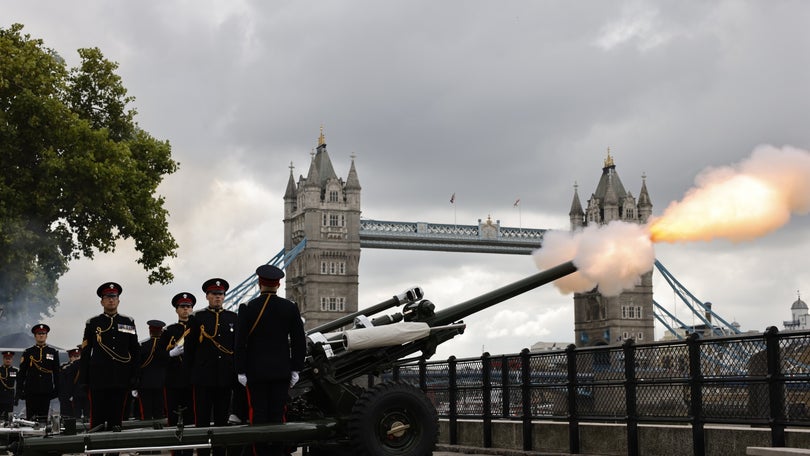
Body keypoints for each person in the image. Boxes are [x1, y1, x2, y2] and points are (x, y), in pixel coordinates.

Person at [234, 265, 306, 456]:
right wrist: (296, 369)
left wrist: (240, 370)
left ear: (259, 283)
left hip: (255, 373)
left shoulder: (247, 308)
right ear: (279, 284)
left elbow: (240, 343)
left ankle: (261, 453)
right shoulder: (290, 308)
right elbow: (299, 341)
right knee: (278, 415)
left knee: (258, 415)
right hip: (281, 372)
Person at [185, 278, 236, 456]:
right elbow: (190, 350)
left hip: (224, 377)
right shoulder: (197, 318)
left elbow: (235, 348)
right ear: (207, 296)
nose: (217, 297)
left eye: (220, 294)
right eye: (214, 294)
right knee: (202, 421)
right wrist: (191, 375)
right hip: (203, 378)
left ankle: (220, 452)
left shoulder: (232, 318)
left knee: (222, 420)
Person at [79, 282, 140, 433]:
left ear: (118, 300)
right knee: (97, 419)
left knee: (117, 420)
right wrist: (83, 379)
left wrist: (135, 375)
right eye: (107, 297)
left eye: (114, 297)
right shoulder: (93, 323)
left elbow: (135, 350)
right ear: (102, 301)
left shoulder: (128, 322)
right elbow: (86, 353)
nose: (111, 300)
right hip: (98, 378)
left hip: (121, 377)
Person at [157, 292, 196, 456]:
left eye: (188, 306)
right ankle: (175, 452)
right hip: (173, 381)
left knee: (191, 420)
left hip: (192, 380)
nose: (186, 309)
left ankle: (188, 452)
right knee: (173, 420)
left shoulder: (198, 329)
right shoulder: (169, 331)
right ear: (176, 309)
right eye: (182, 307)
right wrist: (171, 354)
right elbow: (158, 355)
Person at [17, 324, 60, 422]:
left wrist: (57, 389)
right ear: (35, 336)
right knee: (30, 419)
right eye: (39, 333)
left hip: (46, 390)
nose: (41, 335)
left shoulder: (52, 352)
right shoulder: (28, 352)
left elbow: (57, 373)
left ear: (46, 335)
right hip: (31, 390)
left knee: (43, 419)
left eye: (43, 333)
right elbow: (22, 373)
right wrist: (20, 390)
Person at [137, 319, 166, 421]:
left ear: (150, 330)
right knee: (160, 412)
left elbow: (137, 365)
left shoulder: (142, 346)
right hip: (162, 382)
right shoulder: (166, 346)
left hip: (145, 383)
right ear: (161, 331)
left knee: (146, 413)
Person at [58, 348, 81, 418]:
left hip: (79, 395)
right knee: (66, 416)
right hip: (67, 396)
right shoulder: (65, 367)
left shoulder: (82, 368)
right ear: (70, 357)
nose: (77, 358)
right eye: (74, 356)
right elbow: (62, 383)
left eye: (78, 356)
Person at [0, 351, 18, 420]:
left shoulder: (15, 371)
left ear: (11, 360)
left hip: (9, 398)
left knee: (9, 418)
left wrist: (17, 397)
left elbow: (19, 384)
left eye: (9, 359)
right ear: (3, 359)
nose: (8, 360)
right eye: (6, 358)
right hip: (0, 397)